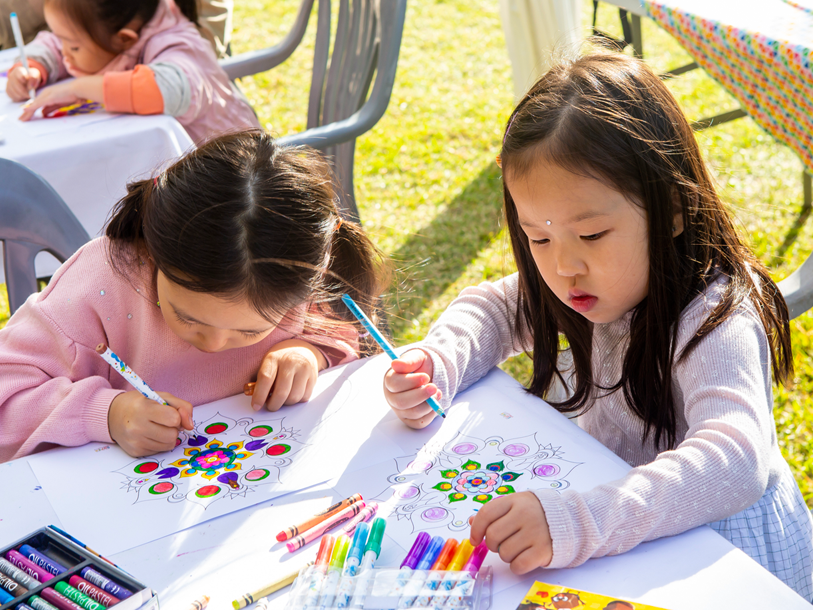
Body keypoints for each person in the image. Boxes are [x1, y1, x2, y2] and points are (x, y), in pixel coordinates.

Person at [383, 51, 813, 599]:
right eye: (538, 237)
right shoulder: (586, 284)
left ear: (673, 209)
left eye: (590, 236)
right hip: (634, 539)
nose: (564, 266)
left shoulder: (716, 314)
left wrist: (577, 522)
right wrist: (438, 361)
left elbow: (733, 460)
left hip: (727, 558)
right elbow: (492, 308)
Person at [0, 130, 388, 462]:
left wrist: (309, 354)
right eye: (188, 318)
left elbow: (338, 337)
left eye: (249, 332)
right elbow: (7, 396)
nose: (215, 345)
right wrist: (107, 413)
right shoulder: (99, 285)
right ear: (154, 254)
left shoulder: (290, 278)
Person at [4, 0, 257, 144]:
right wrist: (34, 67)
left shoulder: (176, 43)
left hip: (234, 181)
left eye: (73, 46)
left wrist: (76, 88)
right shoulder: (104, 30)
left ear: (124, 40)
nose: (64, 52)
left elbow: (164, 89)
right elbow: (55, 43)